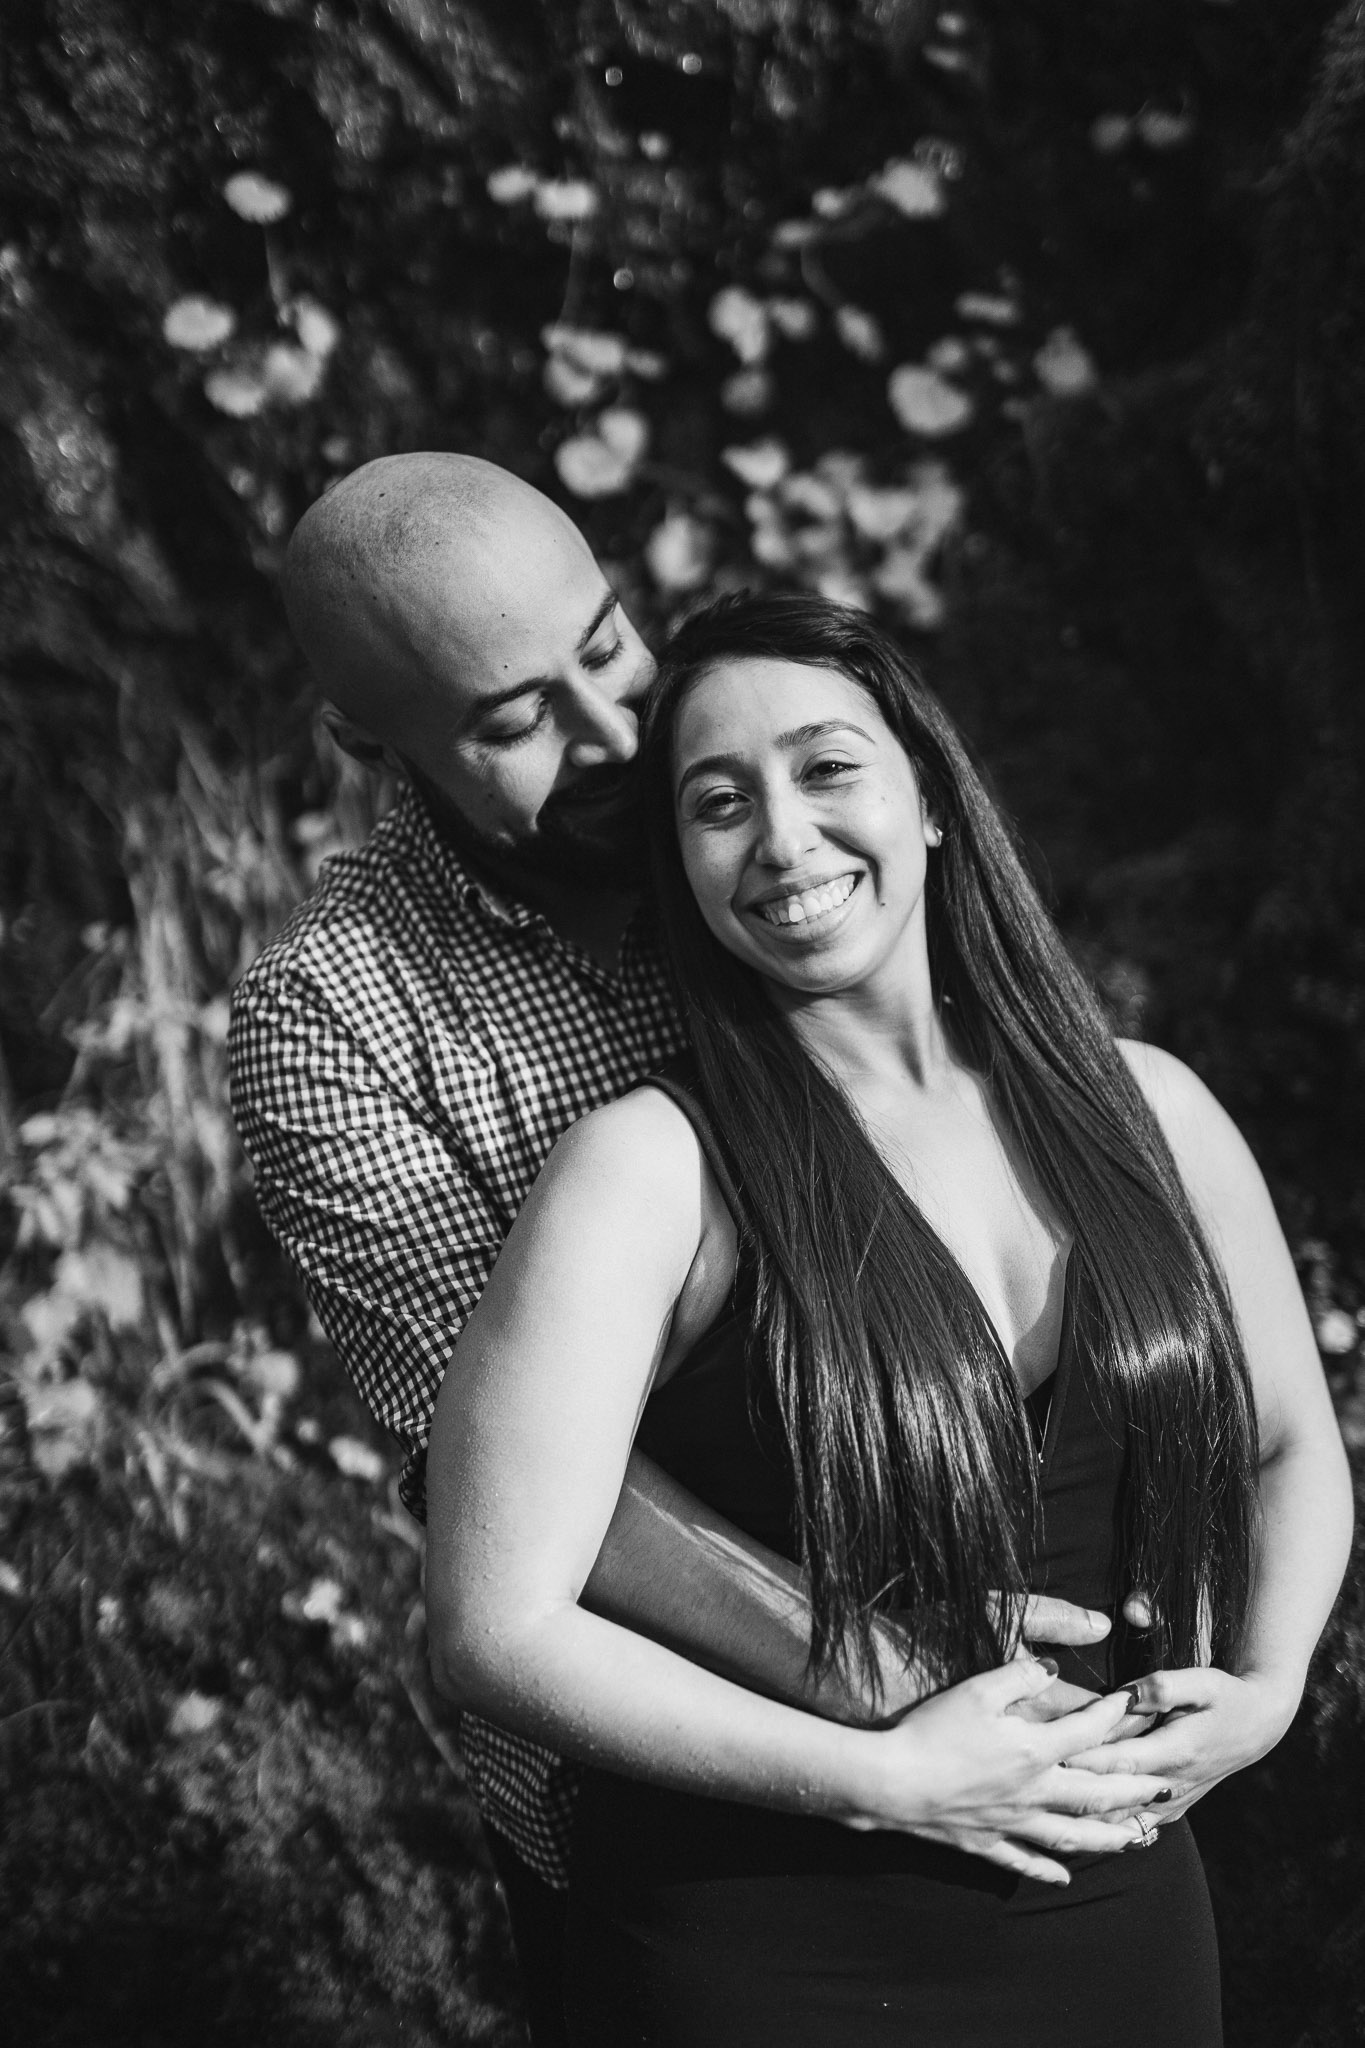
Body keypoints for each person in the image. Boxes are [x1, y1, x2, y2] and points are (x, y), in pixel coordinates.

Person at [229, 459, 1126, 2045]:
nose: (612, 735)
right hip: (677, 1794)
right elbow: (497, 1480)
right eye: (515, 723)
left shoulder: (758, 821)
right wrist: (896, 1684)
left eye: (607, 647)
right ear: (369, 748)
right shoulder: (337, 1016)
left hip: (1030, 1714)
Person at [424, 591, 1353, 2046]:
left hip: (1116, 1904)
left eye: (825, 768)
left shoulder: (1153, 1113)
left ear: (927, 795)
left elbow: (1291, 1446)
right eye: (718, 803)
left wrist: (1269, 1686)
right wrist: (881, 1778)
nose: (783, 837)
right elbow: (494, 1625)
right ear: (680, 866)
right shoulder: (650, 1171)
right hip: (760, 1945)